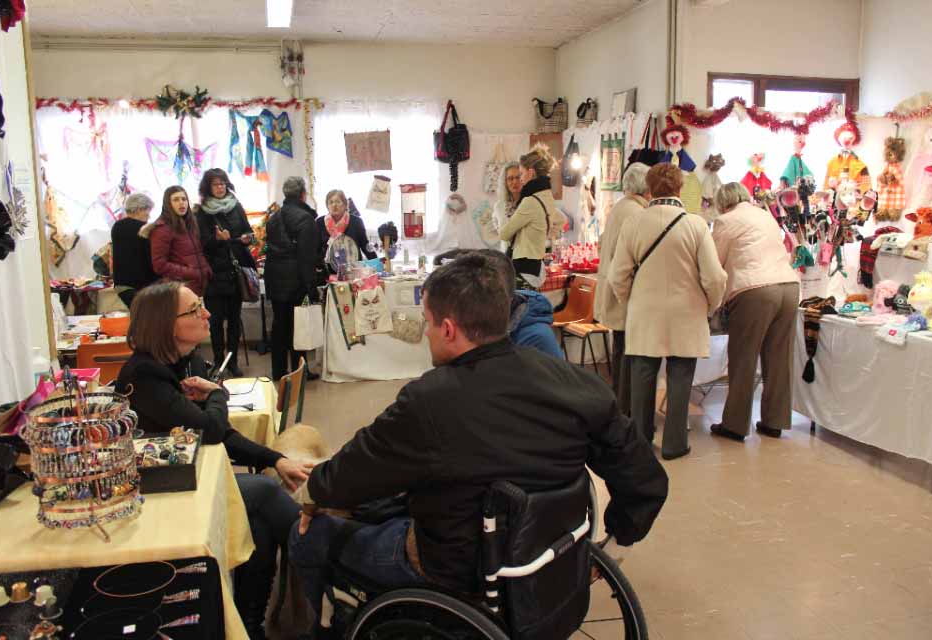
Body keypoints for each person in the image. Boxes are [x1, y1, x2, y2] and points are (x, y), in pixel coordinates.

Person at [289, 254, 668, 635]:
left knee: (310, 532)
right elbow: (645, 480)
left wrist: (313, 492)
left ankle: (319, 628)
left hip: (454, 571)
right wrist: (610, 549)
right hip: (549, 562)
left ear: (450, 329)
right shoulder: (577, 383)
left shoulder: (429, 402)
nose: (426, 334)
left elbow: (355, 470)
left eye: (430, 324)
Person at [115, 281, 313, 640]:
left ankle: (249, 626)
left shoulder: (182, 361)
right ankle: (323, 551)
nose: (207, 313)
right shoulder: (144, 375)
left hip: (194, 479)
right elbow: (210, 430)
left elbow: (218, 432)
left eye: (202, 305)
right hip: (157, 495)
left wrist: (276, 457)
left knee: (259, 527)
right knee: (266, 492)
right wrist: (218, 395)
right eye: (194, 310)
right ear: (165, 323)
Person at [608, 163, 726, 460]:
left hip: (644, 312)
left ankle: (641, 440)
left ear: (649, 188)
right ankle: (674, 443)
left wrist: (630, 302)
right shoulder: (696, 224)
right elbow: (715, 277)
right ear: (679, 188)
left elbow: (617, 275)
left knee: (642, 379)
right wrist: (710, 305)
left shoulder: (634, 223)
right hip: (686, 313)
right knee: (680, 378)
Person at [710, 182, 800, 441]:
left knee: (743, 358)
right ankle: (775, 421)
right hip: (789, 287)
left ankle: (735, 425)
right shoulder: (764, 214)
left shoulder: (725, 221)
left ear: (723, 202)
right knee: (779, 358)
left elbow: (715, 264)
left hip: (755, 291)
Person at [594, 163, 650, 415]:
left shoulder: (621, 208)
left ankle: (619, 404)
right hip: (624, 291)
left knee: (621, 351)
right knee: (628, 354)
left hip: (614, 287)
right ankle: (625, 409)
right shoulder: (635, 212)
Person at [195, 168, 256, 378]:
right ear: (208, 187)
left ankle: (233, 361)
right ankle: (219, 360)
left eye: (223, 183)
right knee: (215, 320)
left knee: (234, 318)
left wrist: (248, 237)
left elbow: (248, 232)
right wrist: (219, 240)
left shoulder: (236, 206)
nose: (220, 187)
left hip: (235, 270)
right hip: (214, 273)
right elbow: (201, 243)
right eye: (216, 184)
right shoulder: (202, 212)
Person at [266, 177, 317, 381]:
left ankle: (278, 371)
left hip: (274, 278)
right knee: (299, 328)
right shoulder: (305, 220)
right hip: (296, 280)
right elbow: (307, 258)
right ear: (303, 194)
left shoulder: (273, 218)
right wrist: (310, 286)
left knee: (279, 326)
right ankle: (299, 371)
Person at [498, 145, 567, 287]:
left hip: (523, 268)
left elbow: (504, 234)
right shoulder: (547, 196)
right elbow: (561, 221)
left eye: (521, 174)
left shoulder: (529, 201)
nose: (520, 180)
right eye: (510, 178)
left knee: (520, 308)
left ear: (530, 173)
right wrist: (544, 234)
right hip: (535, 265)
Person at [303, 189, 376, 289]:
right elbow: (315, 248)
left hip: (354, 274)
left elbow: (365, 245)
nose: (334, 205)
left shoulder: (356, 222)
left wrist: (376, 264)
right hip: (327, 274)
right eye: (331, 202)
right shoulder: (320, 222)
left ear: (345, 205)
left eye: (338, 201)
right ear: (327, 205)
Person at [149, 186, 211, 297]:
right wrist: (192, 273)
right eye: (176, 200)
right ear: (168, 203)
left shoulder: (190, 224)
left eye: (184, 199)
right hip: (179, 289)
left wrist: (205, 269)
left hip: (197, 287)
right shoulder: (162, 228)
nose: (181, 203)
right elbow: (159, 265)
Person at [110, 192, 158, 309]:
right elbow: (150, 259)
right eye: (148, 211)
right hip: (141, 285)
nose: (149, 216)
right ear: (138, 209)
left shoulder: (117, 227)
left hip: (121, 285)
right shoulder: (144, 229)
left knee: (138, 318)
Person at [492, 161, 522, 252]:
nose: (515, 181)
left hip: (526, 257)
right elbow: (495, 222)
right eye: (510, 178)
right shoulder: (499, 206)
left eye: (518, 177)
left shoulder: (530, 202)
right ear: (505, 182)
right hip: (506, 255)